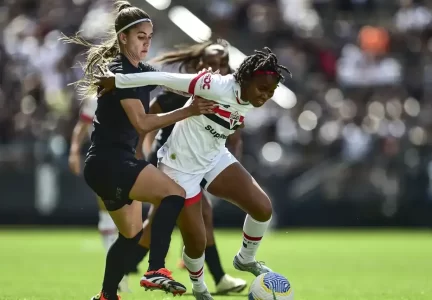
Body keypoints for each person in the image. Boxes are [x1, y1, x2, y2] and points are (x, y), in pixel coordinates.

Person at [95, 46, 291, 299]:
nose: (265, 96)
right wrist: (118, 80)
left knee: (263, 208)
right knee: (197, 242)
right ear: (245, 79)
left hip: (213, 157)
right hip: (179, 167)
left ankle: (245, 259)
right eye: (262, 89)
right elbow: (163, 78)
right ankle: (199, 287)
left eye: (271, 92)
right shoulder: (213, 84)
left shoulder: (249, 96)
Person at [62, 1, 216, 300]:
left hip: (106, 166)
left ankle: (107, 295)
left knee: (130, 236)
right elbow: (143, 123)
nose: (147, 42)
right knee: (174, 195)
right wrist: (190, 110)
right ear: (123, 38)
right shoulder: (120, 72)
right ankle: (155, 269)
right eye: (140, 36)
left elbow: (171, 82)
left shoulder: (140, 71)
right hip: (112, 162)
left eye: (149, 36)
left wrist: (202, 82)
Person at [124, 40, 247, 294]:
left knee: (156, 225)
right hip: (170, 164)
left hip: (200, 166)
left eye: (222, 64)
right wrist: (142, 156)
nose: (217, 68)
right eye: (211, 63)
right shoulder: (173, 95)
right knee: (201, 215)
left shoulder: (227, 97)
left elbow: (234, 138)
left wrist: (226, 168)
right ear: (197, 65)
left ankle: (121, 269)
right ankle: (219, 277)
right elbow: (145, 125)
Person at [68, 96, 131, 293]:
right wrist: (74, 150)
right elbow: (82, 125)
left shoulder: (133, 91)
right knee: (107, 211)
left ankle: (129, 266)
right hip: (104, 157)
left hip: (129, 155)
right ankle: (117, 271)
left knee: (128, 216)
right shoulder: (95, 99)